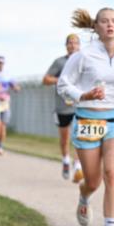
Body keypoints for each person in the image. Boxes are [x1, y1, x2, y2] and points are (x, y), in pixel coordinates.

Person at [57, 8, 114, 226]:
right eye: (104, 21)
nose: (110, 25)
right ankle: (84, 196)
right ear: (96, 26)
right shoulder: (83, 55)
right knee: (93, 181)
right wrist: (84, 95)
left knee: (112, 174)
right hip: (88, 119)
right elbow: (63, 84)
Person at [43, 33, 83, 182]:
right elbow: (46, 79)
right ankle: (66, 160)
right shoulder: (59, 62)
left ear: (79, 45)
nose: (73, 45)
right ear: (66, 46)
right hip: (63, 106)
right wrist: (60, 79)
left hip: (79, 105)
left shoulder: (84, 61)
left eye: (75, 42)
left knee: (79, 136)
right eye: (70, 43)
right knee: (65, 138)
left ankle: (77, 165)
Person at [0, 55, 18, 155]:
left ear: (4, 63)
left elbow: (15, 86)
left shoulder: (8, 75)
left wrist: (15, 87)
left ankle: (0, 146)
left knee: (3, 126)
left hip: (5, 102)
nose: (0, 64)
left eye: (1, 63)